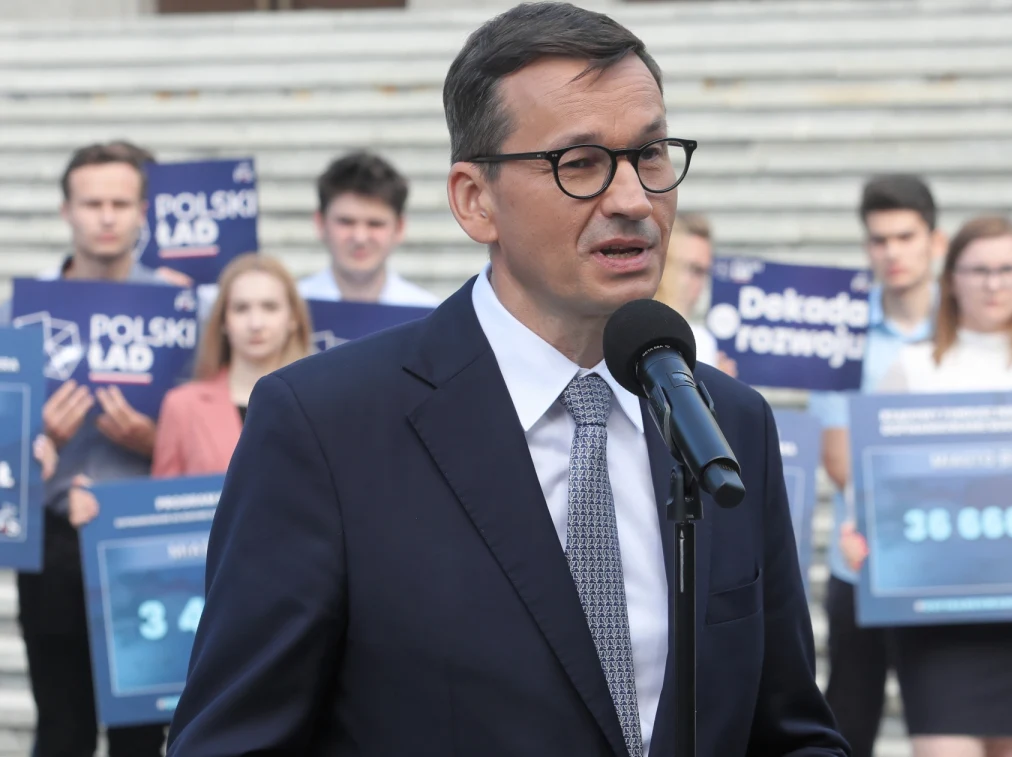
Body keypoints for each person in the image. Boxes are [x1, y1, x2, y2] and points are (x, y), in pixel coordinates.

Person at [166, 4, 849, 756]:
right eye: (580, 163)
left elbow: (790, 732)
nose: (633, 200)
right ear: (474, 200)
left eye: (651, 154)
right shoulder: (324, 426)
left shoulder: (727, 421)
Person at [876, 215, 1012, 757]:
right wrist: (866, 531)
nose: (994, 284)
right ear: (951, 279)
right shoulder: (913, 367)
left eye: (1007, 269)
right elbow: (880, 485)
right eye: (979, 270)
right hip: (937, 605)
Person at [0, 141, 175, 757]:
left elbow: (213, 427)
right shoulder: (21, 314)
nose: (106, 217)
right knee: (61, 724)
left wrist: (154, 439)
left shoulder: (180, 308)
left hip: (148, 536)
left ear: (142, 212)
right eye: (92, 203)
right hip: (54, 537)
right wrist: (36, 436)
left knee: (143, 732)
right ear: (65, 211)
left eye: (120, 204)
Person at [805, 174, 945, 757]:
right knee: (848, 724)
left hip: (951, 559)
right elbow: (839, 459)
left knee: (947, 727)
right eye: (879, 240)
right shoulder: (844, 332)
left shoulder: (967, 323)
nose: (892, 252)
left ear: (935, 242)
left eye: (905, 237)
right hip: (863, 561)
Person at [152, 254, 312, 478]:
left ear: (293, 318)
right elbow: (163, 496)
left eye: (270, 307)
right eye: (241, 308)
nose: (255, 323)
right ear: (223, 321)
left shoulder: (318, 405)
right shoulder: (181, 406)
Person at [297, 150, 441, 306]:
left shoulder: (428, 311)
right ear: (320, 223)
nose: (360, 237)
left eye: (375, 224)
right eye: (346, 222)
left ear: (399, 227)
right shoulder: (291, 309)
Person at [652, 211, 736, 375]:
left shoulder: (701, 340)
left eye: (705, 273)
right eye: (693, 269)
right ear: (662, 262)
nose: (700, 284)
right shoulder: (698, 341)